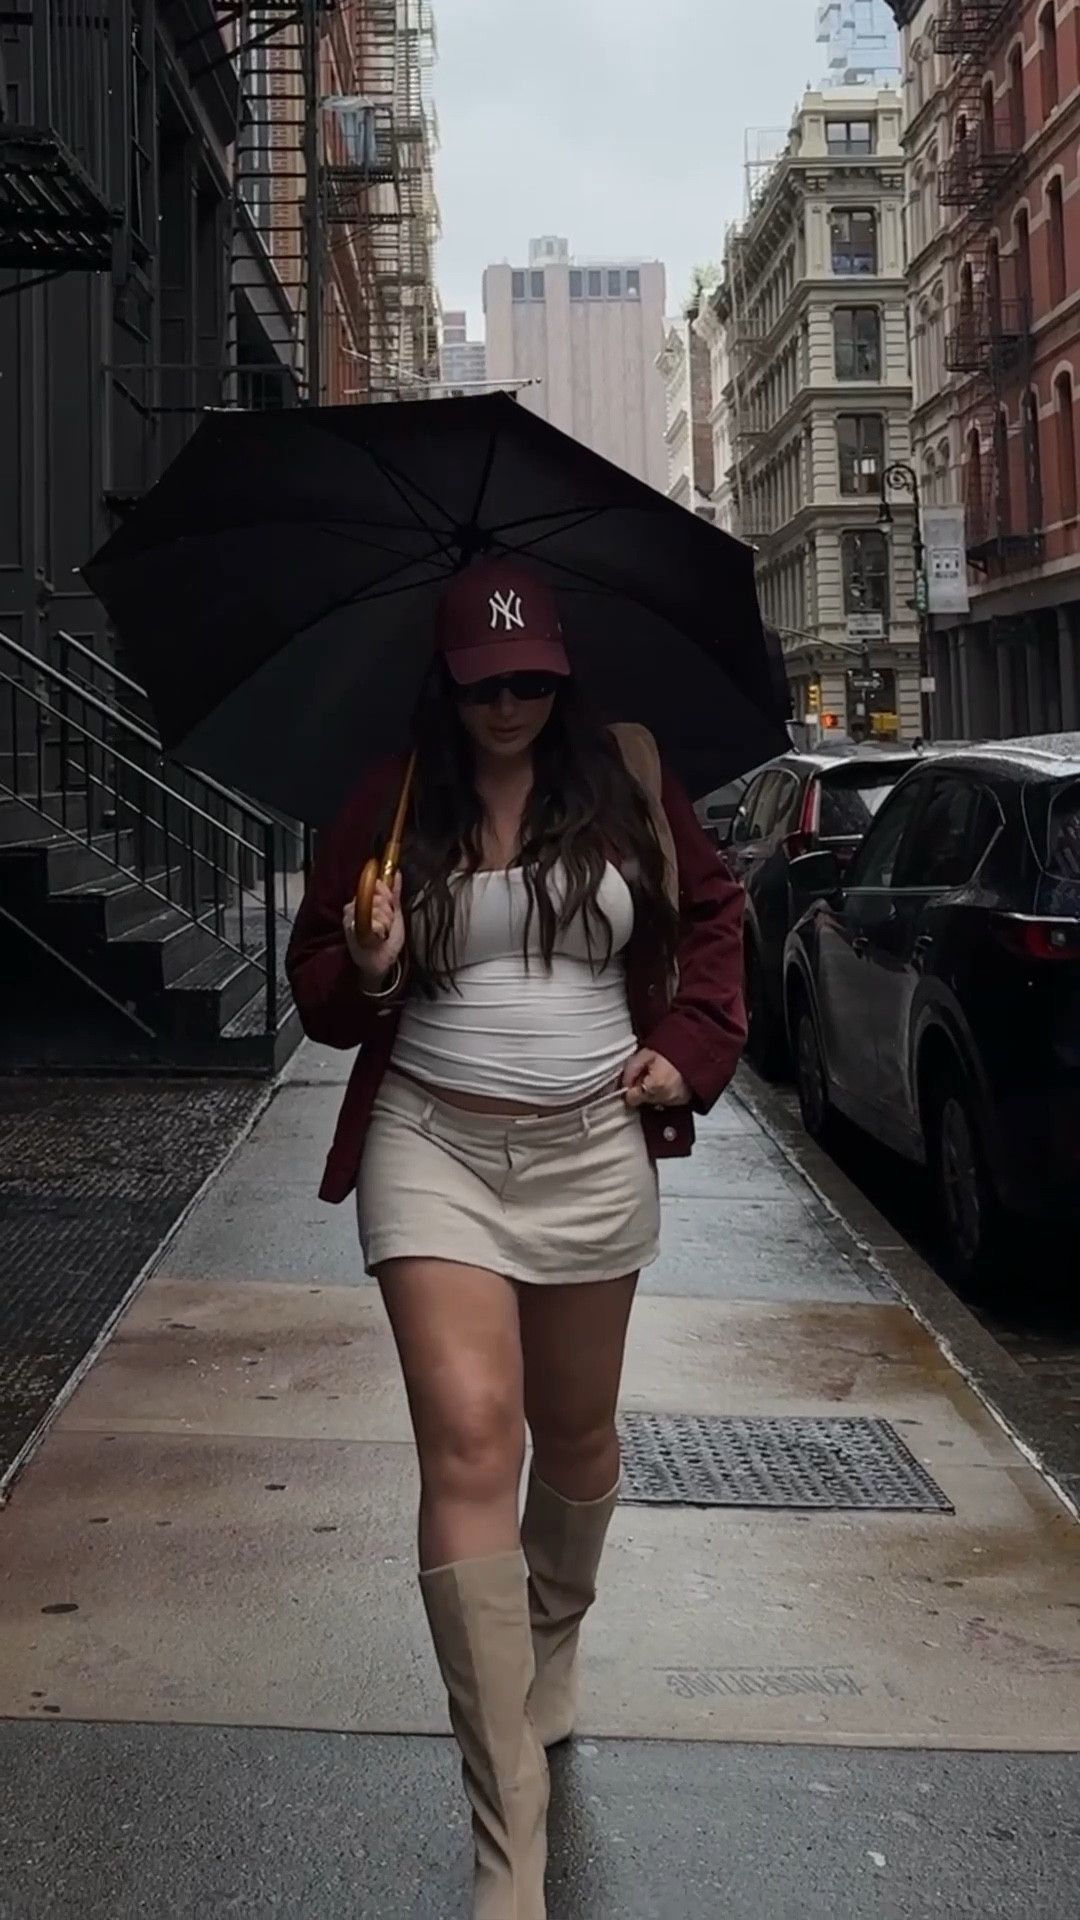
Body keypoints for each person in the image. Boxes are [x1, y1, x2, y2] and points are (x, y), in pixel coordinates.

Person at [286, 558, 746, 1920]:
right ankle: (510, 1839)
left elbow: (716, 917)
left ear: (563, 672)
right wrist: (368, 967)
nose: (510, 705)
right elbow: (319, 984)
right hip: (430, 1147)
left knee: (578, 1431)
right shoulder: (392, 798)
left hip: (592, 1152)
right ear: (448, 679)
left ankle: (552, 1635)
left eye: (532, 680)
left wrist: (683, 1050)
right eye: (486, 684)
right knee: (473, 1436)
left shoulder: (623, 777)